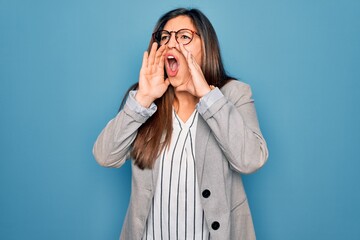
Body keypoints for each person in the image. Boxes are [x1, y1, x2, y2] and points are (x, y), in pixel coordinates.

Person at [93, 7, 268, 240]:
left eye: (184, 37)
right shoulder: (142, 101)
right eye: (165, 37)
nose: (172, 44)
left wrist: (207, 96)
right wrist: (143, 99)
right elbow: (105, 156)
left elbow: (251, 160)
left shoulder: (234, 94)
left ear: (206, 47)